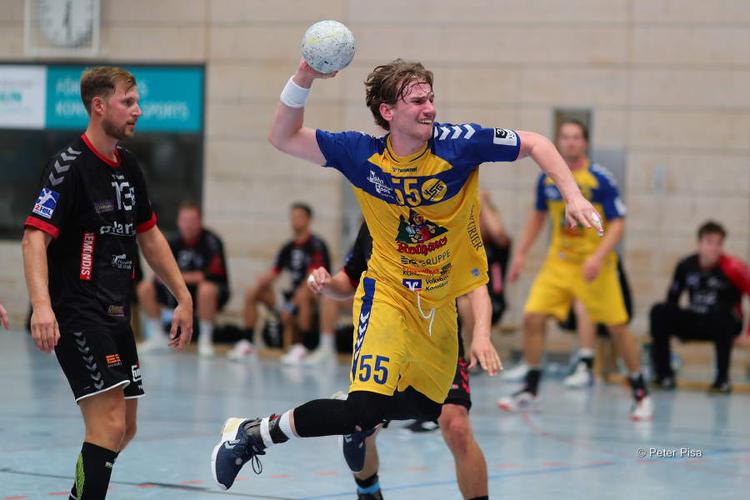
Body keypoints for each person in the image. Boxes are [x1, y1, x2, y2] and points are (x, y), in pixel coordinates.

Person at [210, 57, 602, 491]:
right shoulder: (361, 154)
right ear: (388, 111)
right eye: (417, 101)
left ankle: (356, 411)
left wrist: (572, 195)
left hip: (437, 306)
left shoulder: (459, 144)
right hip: (388, 297)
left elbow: (536, 143)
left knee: (429, 409)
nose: (430, 108)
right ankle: (254, 434)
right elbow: (282, 136)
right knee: (363, 413)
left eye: (431, 98)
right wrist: (304, 77)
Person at [21, 66, 193, 500]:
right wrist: (42, 306)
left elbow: (149, 235)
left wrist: (183, 296)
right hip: (78, 312)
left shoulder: (129, 166)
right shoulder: (68, 166)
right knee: (109, 425)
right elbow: (34, 237)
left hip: (118, 313)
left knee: (124, 429)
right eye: (127, 102)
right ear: (98, 106)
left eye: (137, 102)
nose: (138, 110)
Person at [309, 222, 490, 499]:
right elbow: (349, 279)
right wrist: (327, 283)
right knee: (365, 420)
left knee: (456, 424)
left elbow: (476, 283)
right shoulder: (375, 221)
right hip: (389, 335)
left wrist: (481, 335)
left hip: (437, 338)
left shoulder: (445, 215)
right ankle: (368, 490)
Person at [497, 119, 652, 420]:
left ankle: (640, 392)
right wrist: (521, 254)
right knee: (532, 316)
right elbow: (538, 217)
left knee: (617, 327)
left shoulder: (599, 179)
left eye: (576, 137)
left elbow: (617, 223)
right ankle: (530, 390)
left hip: (595, 265)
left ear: (585, 143)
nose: (570, 142)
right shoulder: (547, 179)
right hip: (559, 263)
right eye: (565, 137)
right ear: (558, 141)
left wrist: (598, 257)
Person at [650, 221, 750, 393]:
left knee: (722, 316)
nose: (714, 248)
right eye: (710, 242)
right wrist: (674, 326)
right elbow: (672, 299)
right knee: (659, 311)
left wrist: (748, 334)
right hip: (697, 318)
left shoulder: (733, 267)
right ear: (699, 243)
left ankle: (722, 380)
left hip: (725, 323)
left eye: (719, 243)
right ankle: (664, 376)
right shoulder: (686, 265)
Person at [230, 202, 330, 363]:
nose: (295, 221)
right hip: (291, 296)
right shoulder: (288, 247)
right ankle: (247, 342)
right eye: (293, 217)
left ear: (308, 219)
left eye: (299, 217)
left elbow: (313, 279)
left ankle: (303, 347)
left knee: (305, 293)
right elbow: (274, 272)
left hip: (312, 297)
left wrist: (290, 306)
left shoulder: (317, 245)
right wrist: (262, 281)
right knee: (253, 291)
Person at [137, 201, 229, 357]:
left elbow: (210, 275)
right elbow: (160, 271)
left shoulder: (212, 241)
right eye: (185, 221)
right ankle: (157, 336)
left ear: (200, 222)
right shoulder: (172, 241)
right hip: (177, 289)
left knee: (206, 289)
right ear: (178, 222)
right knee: (145, 288)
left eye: (192, 221)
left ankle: (205, 339)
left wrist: (180, 278)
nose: (188, 226)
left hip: (208, 293)